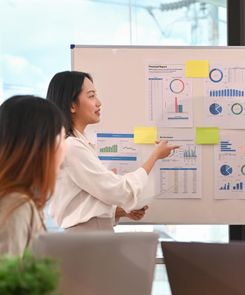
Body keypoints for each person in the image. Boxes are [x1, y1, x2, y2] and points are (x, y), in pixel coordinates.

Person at [47, 71, 178, 232]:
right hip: (87, 237)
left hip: (90, 235)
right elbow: (122, 191)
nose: (99, 102)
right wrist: (155, 156)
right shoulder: (73, 147)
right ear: (72, 105)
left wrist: (120, 211)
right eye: (91, 96)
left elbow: (83, 203)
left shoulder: (77, 144)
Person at [0, 95, 66, 255]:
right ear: (44, 146)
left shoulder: (17, 201)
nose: (65, 147)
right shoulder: (16, 207)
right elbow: (8, 278)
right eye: (63, 138)